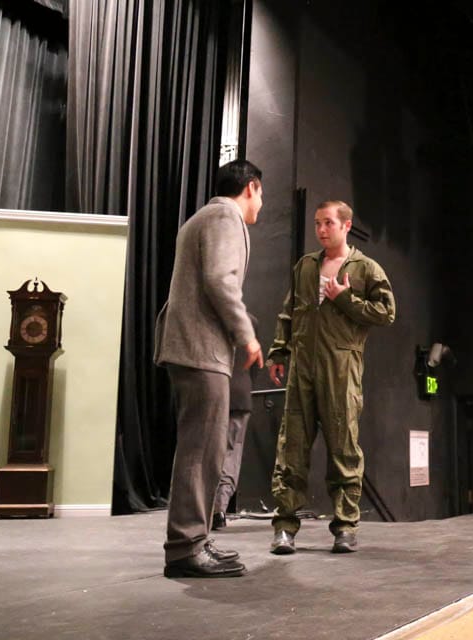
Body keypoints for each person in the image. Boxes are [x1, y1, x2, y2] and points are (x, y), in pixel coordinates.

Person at [154, 159, 264, 578]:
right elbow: (221, 280)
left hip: (191, 348)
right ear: (251, 187)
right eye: (261, 195)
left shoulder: (202, 217)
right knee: (201, 450)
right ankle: (185, 546)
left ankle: (194, 539)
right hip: (201, 350)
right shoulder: (224, 215)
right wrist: (246, 336)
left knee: (205, 448)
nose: (261, 204)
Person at [266, 200, 395, 554]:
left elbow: (386, 312)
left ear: (346, 225)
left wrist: (345, 298)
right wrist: (279, 351)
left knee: (344, 449)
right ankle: (285, 527)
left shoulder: (366, 268)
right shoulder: (305, 267)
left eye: (328, 223)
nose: (321, 230)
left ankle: (345, 527)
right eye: (317, 224)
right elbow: (289, 312)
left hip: (341, 369)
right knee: (291, 448)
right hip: (302, 369)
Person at [211, 313, 259, 531]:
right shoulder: (251, 322)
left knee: (208, 452)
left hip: (214, 392)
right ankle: (219, 510)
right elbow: (255, 364)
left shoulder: (211, 319)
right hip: (240, 395)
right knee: (231, 453)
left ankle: (205, 509)